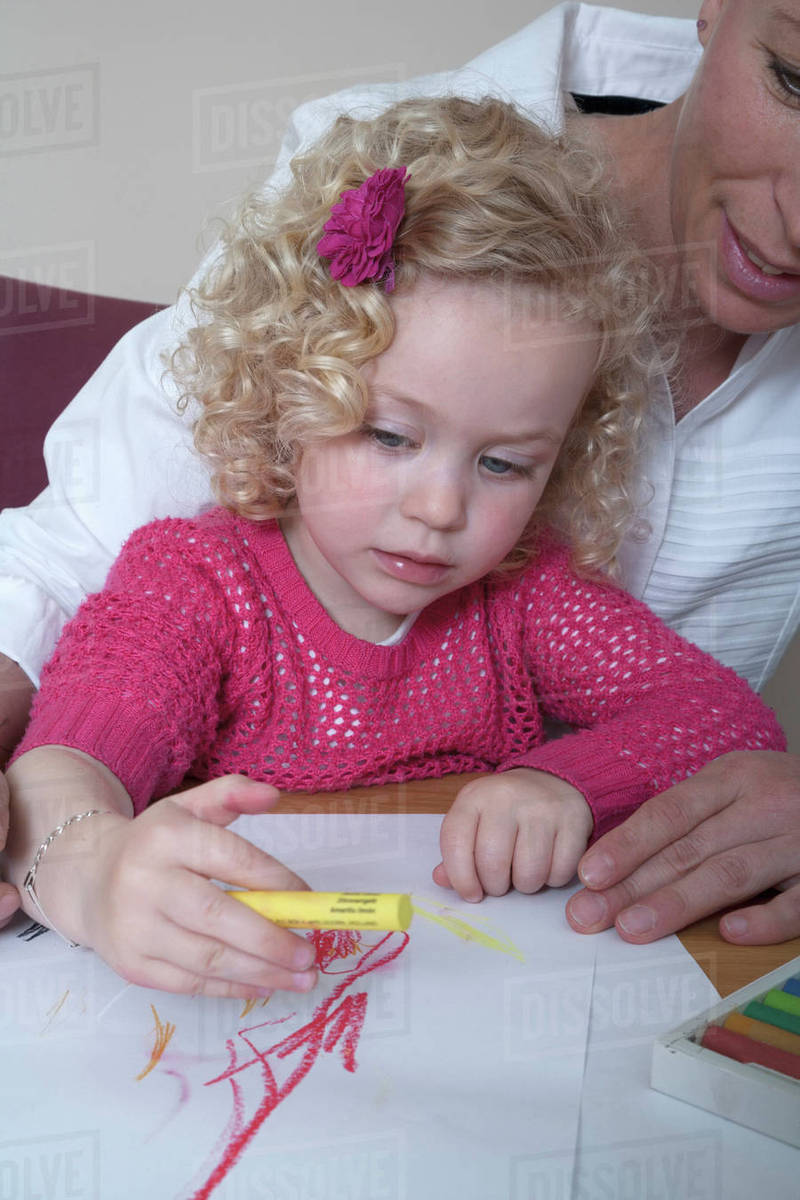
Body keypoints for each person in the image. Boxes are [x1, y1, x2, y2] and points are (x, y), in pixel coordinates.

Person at [1, 1, 800, 944]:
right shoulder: (195, 583)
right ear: (290, 392)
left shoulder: (528, 598)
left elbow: (720, 720)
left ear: (568, 451)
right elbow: (67, 762)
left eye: (505, 462)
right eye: (387, 436)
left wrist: (564, 785)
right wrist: (95, 873)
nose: (439, 508)